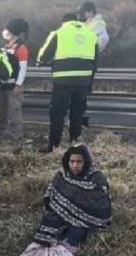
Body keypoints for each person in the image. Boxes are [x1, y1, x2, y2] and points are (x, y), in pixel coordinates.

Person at [0, 144, 111, 256]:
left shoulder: (96, 178)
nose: (75, 165)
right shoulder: (62, 175)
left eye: (79, 162)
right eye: (72, 161)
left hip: (82, 221)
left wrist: (77, 216)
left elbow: (101, 205)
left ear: (86, 162)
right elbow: (51, 195)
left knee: (65, 247)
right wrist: (61, 211)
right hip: (59, 216)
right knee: (42, 241)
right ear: (67, 161)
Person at [37, 14, 98, 153]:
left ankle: (54, 145)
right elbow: (96, 61)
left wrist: (40, 62)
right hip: (83, 81)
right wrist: (89, 82)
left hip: (63, 81)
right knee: (77, 113)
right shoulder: (91, 34)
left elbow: (43, 56)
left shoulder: (59, 33)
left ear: (64, 22)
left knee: (57, 113)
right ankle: (75, 144)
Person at [0, 19, 30, 144]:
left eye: (7, 29)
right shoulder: (6, 46)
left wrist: (18, 84)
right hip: (2, 86)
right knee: (0, 111)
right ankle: (1, 134)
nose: (5, 32)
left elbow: (23, 68)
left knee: (14, 112)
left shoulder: (21, 48)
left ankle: (16, 137)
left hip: (13, 86)